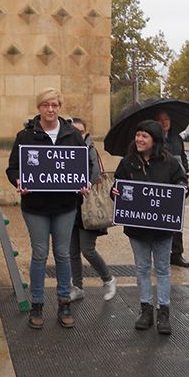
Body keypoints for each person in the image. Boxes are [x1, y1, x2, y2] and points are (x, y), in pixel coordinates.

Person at [6, 88, 89, 330]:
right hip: (36, 206)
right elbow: (13, 168)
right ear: (39, 107)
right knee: (40, 254)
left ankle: (64, 303)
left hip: (65, 205)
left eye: (54, 105)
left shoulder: (73, 135)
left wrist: (83, 183)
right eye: (45, 105)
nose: (50, 109)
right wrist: (18, 180)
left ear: (60, 107)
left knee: (62, 254)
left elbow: (83, 165)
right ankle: (37, 303)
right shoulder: (25, 136)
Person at [112, 120, 188, 334]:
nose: (139, 139)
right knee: (142, 268)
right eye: (137, 135)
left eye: (144, 136)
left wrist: (182, 188)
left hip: (162, 228)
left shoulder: (170, 162)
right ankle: (145, 309)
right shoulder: (127, 163)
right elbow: (118, 186)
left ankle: (164, 311)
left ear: (155, 140)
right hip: (137, 228)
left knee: (162, 269)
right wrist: (114, 192)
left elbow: (182, 182)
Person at [68, 117, 116, 302]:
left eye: (80, 132)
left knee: (87, 249)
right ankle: (77, 287)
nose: (76, 135)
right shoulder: (65, 150)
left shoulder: (90, 150)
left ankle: (108, 279)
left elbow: (94, 175)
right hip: (71, 208)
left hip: (88, 207)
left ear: (85, 133)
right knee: (72, 252)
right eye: (73, 131)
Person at [154, 110, 189, 268]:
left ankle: (176, 253)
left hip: (176, 183)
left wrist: (185, 172)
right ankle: (161, 253)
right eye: (160, 120)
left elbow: (183, 156)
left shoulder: (177, 138)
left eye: (167, 119)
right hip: (161, 183)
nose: (164, 122)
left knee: (176, 220)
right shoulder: (154, 139)